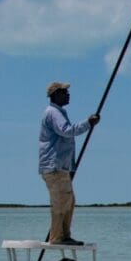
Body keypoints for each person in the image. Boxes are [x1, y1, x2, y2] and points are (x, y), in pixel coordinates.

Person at [38, 81, 98, 245]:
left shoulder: (58, 112)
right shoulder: (53, 112)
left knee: (68, 200)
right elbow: (66, 131)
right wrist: (88, 123)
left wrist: (69, 168)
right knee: (61, 201)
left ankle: (64, 235)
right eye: (64, 92)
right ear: (56, 94)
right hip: (54, 167)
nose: (68, 94)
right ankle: (58, 237)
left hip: (59, 167)